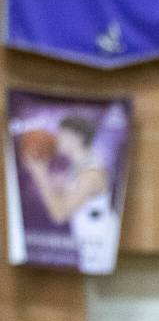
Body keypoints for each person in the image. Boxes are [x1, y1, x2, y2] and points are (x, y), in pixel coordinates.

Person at [23, 115, 118, 274]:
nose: (57, 138)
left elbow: (59, 214)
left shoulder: (91, 174)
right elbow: (61, 190)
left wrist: (40, 174)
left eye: (62, 133)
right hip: (88, 242)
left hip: (100, 245)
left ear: (77, 137)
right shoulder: (79, 167)